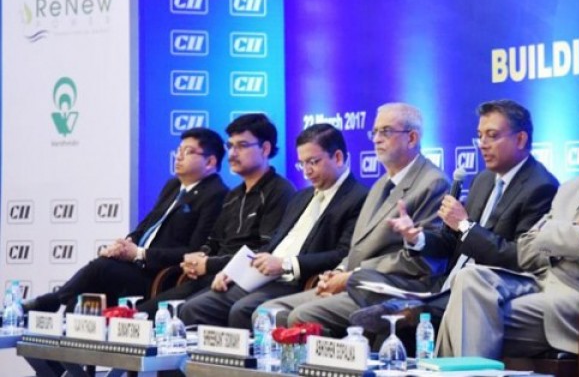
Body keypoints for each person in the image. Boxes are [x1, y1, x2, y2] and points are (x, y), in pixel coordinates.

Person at [436, 89, 579, 359]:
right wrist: (574, 227)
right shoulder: (574, 185)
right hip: (540, 281)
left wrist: (560, 231)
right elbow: (525, 247)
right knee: (469, 278)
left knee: (464, 313)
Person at [346, 99, 559, 332]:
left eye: (492, 135)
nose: (482, 144)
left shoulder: (541, 187)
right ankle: (411, 308)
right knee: (360, 280)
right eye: (480, 136)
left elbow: (518, 258)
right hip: (445, 283)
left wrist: (465, 225)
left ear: (520, 139)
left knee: (418, 305)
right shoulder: (483, 180)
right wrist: (417, 238)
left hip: (481, 288)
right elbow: (450, 242)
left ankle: (413, 311)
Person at [257, 102, 449, 334]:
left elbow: (424, 262)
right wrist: (338, 272)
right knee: (268, 312)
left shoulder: (433, 183)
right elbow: (358, 247)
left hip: (390, 289)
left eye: (386, 131)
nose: (376, 139)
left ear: (411, 138)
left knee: (302, 316)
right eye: (375, 132)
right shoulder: (380, 184)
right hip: (357, 282)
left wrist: (352, 276)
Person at [180, 123, 368, 328]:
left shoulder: (358, 198)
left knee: (243, 309)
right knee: (193, 307)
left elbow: (342, 254)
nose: (307, 171)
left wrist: (286, 265)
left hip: (297, 281)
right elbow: (272, 246)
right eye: (302, 164)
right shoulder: (301, 196)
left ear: (337, 157)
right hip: (262, 277)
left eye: (313, 162)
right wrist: (235, 270)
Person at [23, 128, 228, 312]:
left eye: (188, 151)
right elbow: (147, 226)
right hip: (137, 266)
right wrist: (125, 245)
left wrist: (139, 253)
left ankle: (51, 301)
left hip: (160, 276)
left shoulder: (215, 195)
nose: (179, 156)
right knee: (84, 295)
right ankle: (63, 324)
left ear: (210, 162)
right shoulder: (173, 186)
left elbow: (194, 251)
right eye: (179, 150)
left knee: (100, 268)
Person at [139, 113, 294, 314]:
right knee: (148, 312)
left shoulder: (280, 191)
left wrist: (210, 264)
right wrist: (197, 258)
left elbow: (265, 250)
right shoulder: (233, 195)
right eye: (230, 146)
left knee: (181, 311)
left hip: (246, 279)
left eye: (242, 146)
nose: (232, 154)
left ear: (265, 149)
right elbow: (213, 242)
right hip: (215, 274)